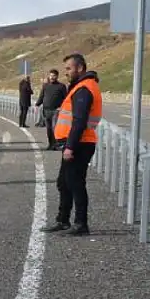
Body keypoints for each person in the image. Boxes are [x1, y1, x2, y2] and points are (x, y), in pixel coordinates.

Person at [42, 53, 101, 236]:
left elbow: (79, 121)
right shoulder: (79, 87)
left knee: (75, 183)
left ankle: (80, 223)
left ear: (80, 68)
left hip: (79, 144)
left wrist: (70, 147)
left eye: (69, 68)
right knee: (64, 182)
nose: (66, 72)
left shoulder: (84, 89)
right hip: (76, 142)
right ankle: (63, 219)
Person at [34, 69, 68, 150]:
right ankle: (51, 144)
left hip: (56, 110)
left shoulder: (61, 86)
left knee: (54, 127)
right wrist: (37, 105)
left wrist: (62, 108)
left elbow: (66, 98)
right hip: (46, 110)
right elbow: (41, 96)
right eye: (51, 75)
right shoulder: (45, 86)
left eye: (54, 76)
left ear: (57, 76)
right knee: (48, 128)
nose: (52, 77)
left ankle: (56, 144)